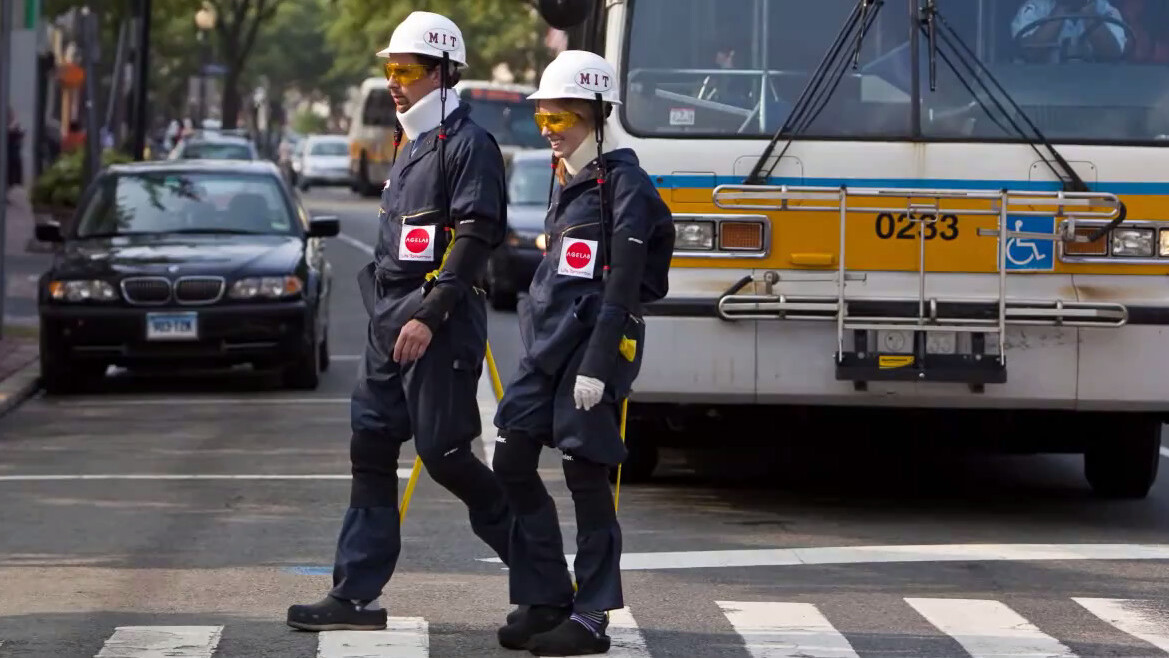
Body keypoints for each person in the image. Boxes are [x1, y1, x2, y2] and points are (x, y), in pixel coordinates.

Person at [286, 10, 514, 632]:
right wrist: (392, 317)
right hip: (388, 325)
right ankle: (354, 594)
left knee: (444, 455)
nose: (395, 80)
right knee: (370, 449)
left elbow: (475, 235)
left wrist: (431, 314)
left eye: (407, 70)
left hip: (435, 327)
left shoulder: (470, 145)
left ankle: (541, 571)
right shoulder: (410, 141)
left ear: (443, 73)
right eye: (391, 68)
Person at [491, 50, 675, 655]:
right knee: (511, 459)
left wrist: (598, 366)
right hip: (547, 348)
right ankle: (545, 595)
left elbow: (624, 285)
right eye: (543, 117)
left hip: (592, 351)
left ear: (598, 112)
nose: (550, 128)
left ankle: (593, 615)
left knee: (586, 477)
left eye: (561, 116)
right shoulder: (567, 178)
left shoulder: (627, 187)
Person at [1011, 0, 1129, 62]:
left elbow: (1113, 54)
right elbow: (1030, 52)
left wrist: (1089, 13)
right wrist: (1063, 8)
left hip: (1095, 89)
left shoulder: (1106, 10)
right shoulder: (1035, 7)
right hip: (1041, 89)